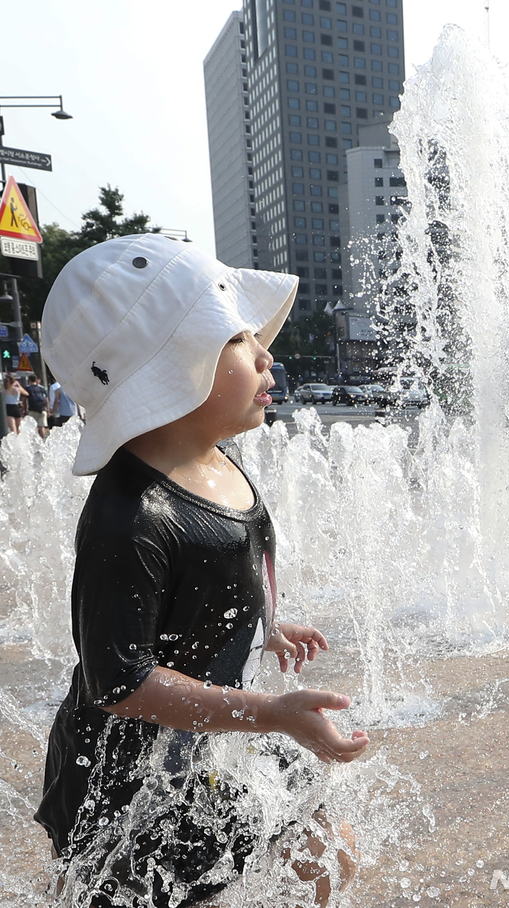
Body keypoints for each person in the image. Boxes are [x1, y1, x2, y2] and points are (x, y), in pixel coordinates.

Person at [35, 234, 369, 908]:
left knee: (331, 851)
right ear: (171, 364)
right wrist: (272, 712)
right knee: (143, 893)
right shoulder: (130, 519)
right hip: (129, 772)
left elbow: (236, 561)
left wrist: (266, 626)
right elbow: (121, 681)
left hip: (214, 742)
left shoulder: (221, 466)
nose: (267, 356)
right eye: (241, 342)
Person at [26, 373, 49, 438]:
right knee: (42, 426)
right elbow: (47, 400)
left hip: (32, 409)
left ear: (29, 380)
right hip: (42, 409)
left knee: (33, 426)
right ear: (36, 380)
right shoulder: (42, 389)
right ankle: (43, 440)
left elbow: (24, 399)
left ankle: (35, 441)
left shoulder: (28, 388)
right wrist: (48, 410)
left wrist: (24, 409)